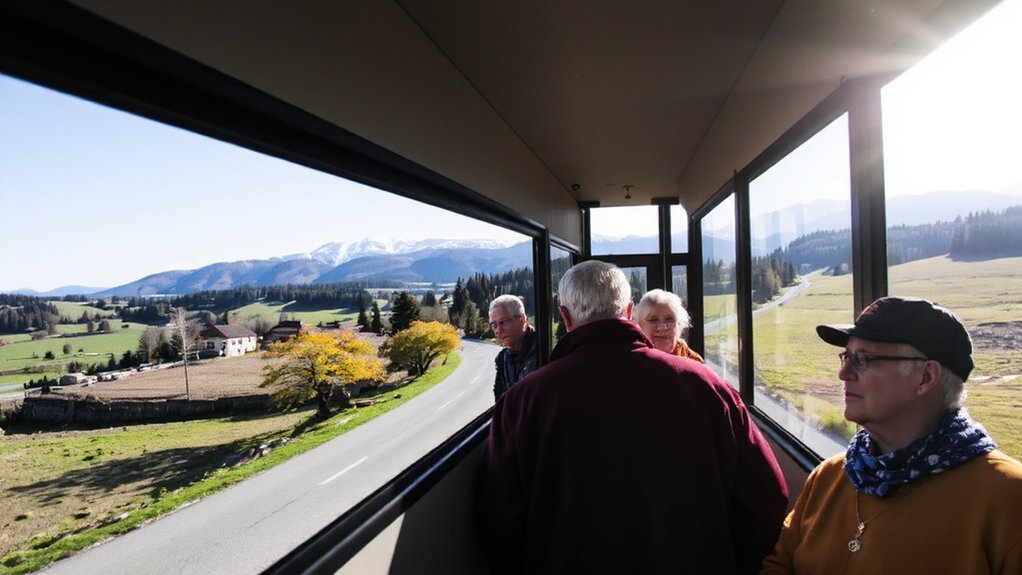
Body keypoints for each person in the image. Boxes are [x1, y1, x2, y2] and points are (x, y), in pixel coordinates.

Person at [479, 260, 788, 575]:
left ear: (566, 317)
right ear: (628, 312)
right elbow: (766, 497)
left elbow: (501, 520)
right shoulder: (707, 387)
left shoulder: (521, 401)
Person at [760, 296, 1022, 575]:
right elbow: (779, 565)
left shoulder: (1007, 497)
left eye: (863, 359)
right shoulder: (830, 476)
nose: (843, 372)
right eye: (846, 357)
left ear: (925, 377)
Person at [488, 294, 538, 400]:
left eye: (503, 322)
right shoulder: (502, 359)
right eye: (494, 325)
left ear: (522, 320)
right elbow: (500, 402)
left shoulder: (542, 349)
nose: (498, 331)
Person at [634, 288, 704, 362]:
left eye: (669, 319)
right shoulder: (632, 361)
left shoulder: (693, 360)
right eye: (653, 320)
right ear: (638, 325)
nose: (662, 327)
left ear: (679, 325)